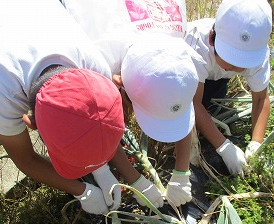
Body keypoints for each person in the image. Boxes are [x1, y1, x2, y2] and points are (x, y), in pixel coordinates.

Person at [0, 0, 157, 224]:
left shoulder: (95, 66)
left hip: (36, 14)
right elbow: (26, 159)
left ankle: (1, 128)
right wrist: (81, 190)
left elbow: (97, 125)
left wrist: (135, 180)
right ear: (30, 122)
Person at [62, 0, 205, 207]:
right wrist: (134, 180)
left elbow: (179, 98)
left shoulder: (176, 31)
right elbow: (96, 122)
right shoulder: (92, 58)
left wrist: (182, 172)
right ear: (119, 81)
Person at [184, 0, 273, 177]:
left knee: (212, 104)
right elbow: (193, 103)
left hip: (215, 77)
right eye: (230, 61)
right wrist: (224, 147)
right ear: (212, 38)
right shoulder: (196, 45)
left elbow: (260, 99)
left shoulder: (257, 53)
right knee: (189, 111)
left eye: (242, 64)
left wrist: (256, 142)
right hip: (187, 74)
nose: (235, 67)